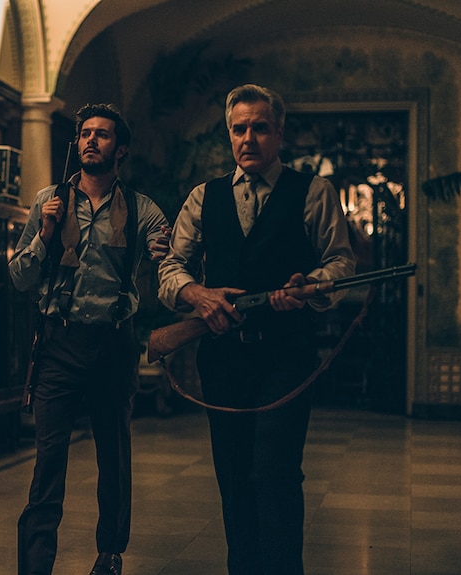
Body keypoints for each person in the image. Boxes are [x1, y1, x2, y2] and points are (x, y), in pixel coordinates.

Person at [157, 84, 356, 575]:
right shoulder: (203, 197)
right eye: (239, 128)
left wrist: (309, 285)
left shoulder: (314, 191)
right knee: (233, 476)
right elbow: (171, 270)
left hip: (287, 355)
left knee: (275, 472)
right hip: (223, 360)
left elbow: (341, 263)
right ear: (230, 135)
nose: (249, 138)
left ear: (279, 133)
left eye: (259, 127)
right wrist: (198, 296)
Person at [10, 103, 170, 575]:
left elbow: (173, 262)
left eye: (101, 135)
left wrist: (164, 253)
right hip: (57, 344)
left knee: (114, 456)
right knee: (47, 461)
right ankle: (35, 565)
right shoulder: (48, 200)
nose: (90, 141)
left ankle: (110, 554)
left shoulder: (142, 210)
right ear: (76, 143)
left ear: (120, 149)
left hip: (114, 343)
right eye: (84, 134)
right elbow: (20, 278)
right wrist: (44, 233)